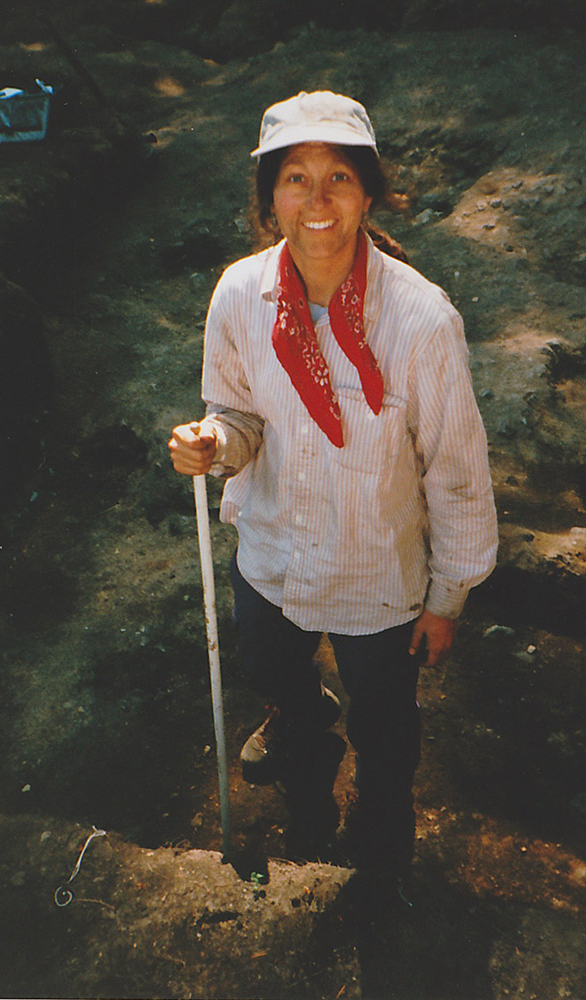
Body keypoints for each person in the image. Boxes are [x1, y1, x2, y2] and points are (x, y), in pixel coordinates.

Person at [169, 91, 497, 890]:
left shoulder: (420, 321)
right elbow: (239, 412)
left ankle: (381, 817)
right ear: (268, 197)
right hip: (272, 556)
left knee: (385, 721)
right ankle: (302, 749)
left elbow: (454, 468)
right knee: (271, 672)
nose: (316, 201)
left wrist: (447, 596)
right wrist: (215, 444)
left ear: (367, 192)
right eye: (294, 179)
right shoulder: (240, 296)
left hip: (375, 574)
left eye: (338, 177)